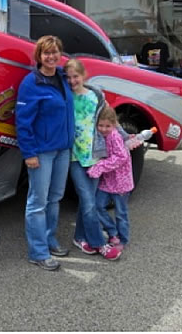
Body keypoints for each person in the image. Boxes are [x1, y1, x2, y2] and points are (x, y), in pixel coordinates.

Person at [15, 35, 74, 271]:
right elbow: (22, 122)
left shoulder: (63, 77)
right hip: (41, 152)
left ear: (60, 54)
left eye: (55, 52)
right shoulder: (31, 83)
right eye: (46, 53)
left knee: (55, 198)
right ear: (39, 56)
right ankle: (38, 252)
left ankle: (50, 240)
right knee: (37, 202)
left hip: (63, 149)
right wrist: (29, 153)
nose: (51, 57)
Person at [64, 59, 122, 261]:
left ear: (83, 75)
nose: (72, 81)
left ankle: (80, 237)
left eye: (75, 76)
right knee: (88, 201)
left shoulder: (95, 95)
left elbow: (110, 117)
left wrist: (124, 137)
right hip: (74, 157)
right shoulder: (65, 96)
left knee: (86, 202)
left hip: (95, 156)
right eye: (69, 77)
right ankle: (99, 244)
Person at [87, 106, 134, 250]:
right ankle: (112, 232)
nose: (103, 129)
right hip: (107, 181)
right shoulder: (100, 136)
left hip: (121, 182)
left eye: (108, 126)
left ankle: (123, 239)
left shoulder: (115, 136)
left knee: (121, 213)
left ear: (114, 125)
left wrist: (100, 166)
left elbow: (121, 156)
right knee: (97, 206)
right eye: (100, 125)